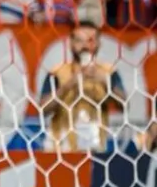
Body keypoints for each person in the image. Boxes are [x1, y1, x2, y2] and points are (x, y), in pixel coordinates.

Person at [39, 21, 126, 152]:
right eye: (80, 41)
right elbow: (43, 109)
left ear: (99, 43)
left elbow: (124, 105)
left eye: (90, 40)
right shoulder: (57, 71)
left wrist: (105, 82)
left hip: (96, 148)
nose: (85, 46)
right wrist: (69, 84)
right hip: (61, 148)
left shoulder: (108, 71)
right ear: (71, 43)